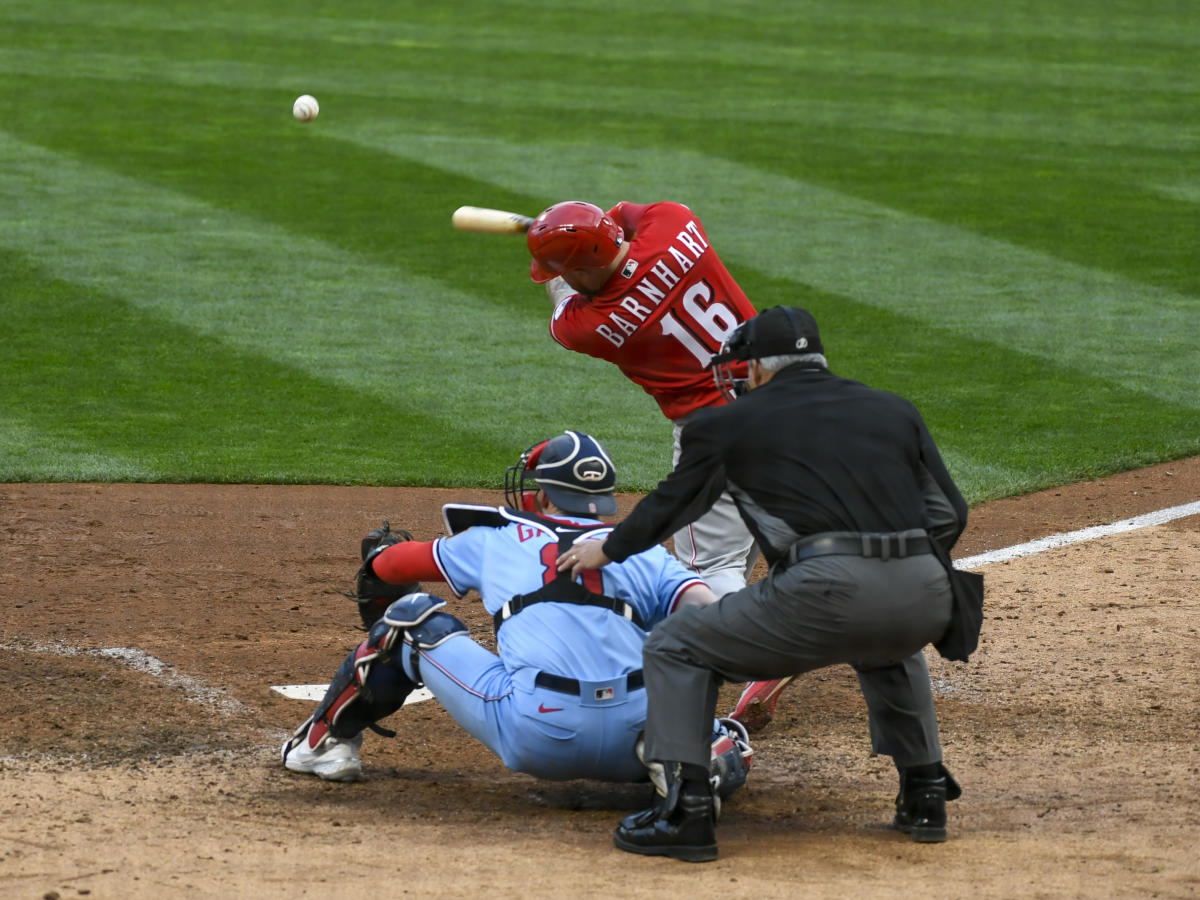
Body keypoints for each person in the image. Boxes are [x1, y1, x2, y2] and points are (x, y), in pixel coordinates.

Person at [560, 307, 977, 862]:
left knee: (676, 645)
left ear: (756, 369)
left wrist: (607, 547)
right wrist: (902, 570)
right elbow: (949, 512)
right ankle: (925, 793)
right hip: (927, 593)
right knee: (888, 645)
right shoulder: (893, 410)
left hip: (826, 590)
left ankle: (687, 813)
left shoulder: (726, 423)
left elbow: (673, 504)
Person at [281, 430, 753, 797]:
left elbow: (392, 566)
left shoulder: (496, 540)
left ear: (546, 497)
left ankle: (321, 746)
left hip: (540, 733)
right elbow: (707, 612)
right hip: (637, 726)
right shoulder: (644, 552)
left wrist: (383, 553)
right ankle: (687, 755)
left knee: (411, 618)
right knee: (713, 720)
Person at [524, 200, 759, 600]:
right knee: (780, 538)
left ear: (580, 270)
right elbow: (624, 215)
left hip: (717, 436)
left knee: (711, 568)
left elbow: (562, 299)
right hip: (790, 403)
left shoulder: (590, 326)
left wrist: (559, 259)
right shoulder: (675, 224)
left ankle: (738, 654)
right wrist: (584, 228)